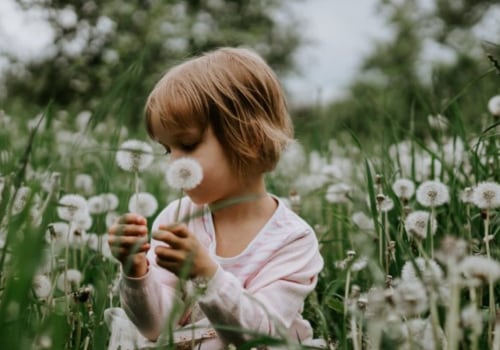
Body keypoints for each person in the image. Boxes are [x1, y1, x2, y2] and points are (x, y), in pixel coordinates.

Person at [108, 47, 324, 349]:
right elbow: (156, 328)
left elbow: (256, 335)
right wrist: (136, 271)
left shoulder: (292, 240)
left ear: (250, 139)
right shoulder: (177, 218)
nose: (174, 163)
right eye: (168, 150)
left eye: (188, 144)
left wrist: (207, 276)